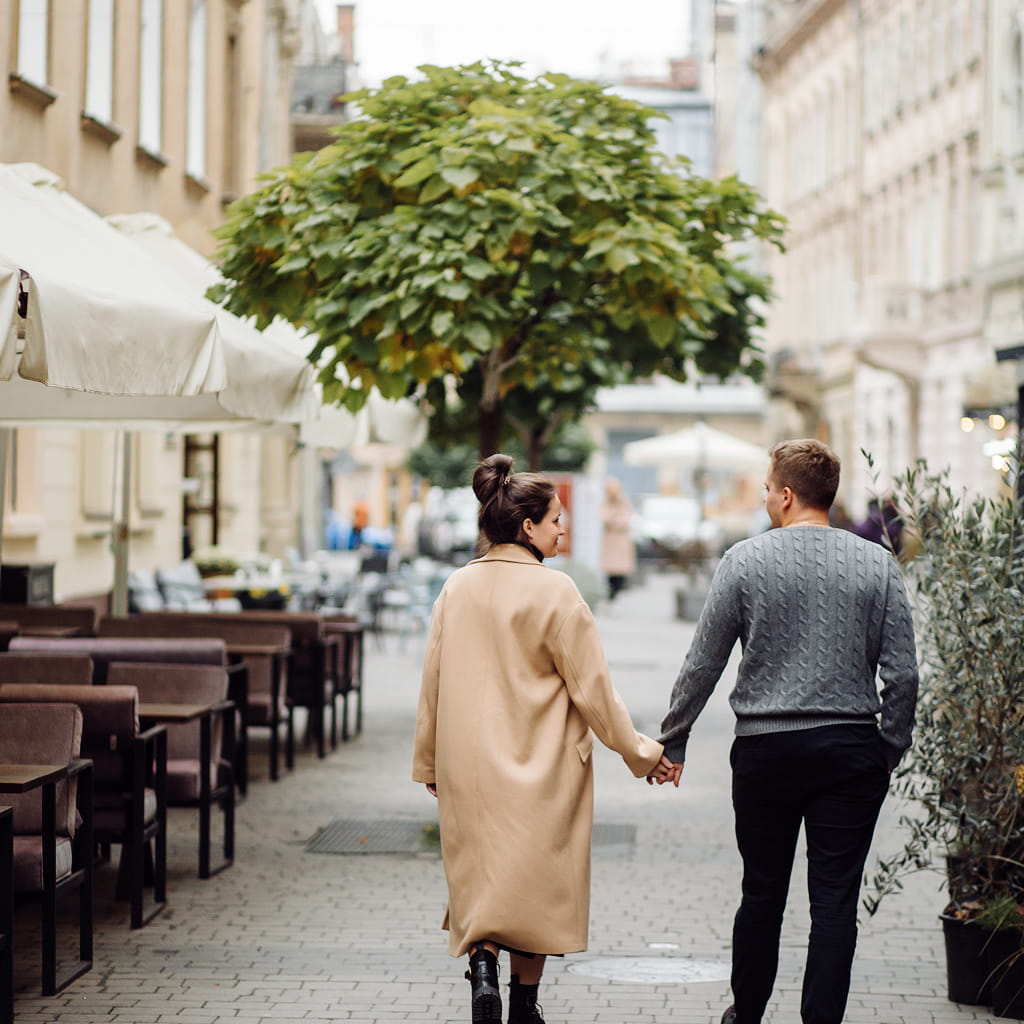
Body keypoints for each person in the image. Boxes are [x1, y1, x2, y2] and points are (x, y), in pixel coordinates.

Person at [654, 438, 919, 1024]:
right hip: (850, 752)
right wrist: (887, 751)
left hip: (765, 752)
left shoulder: (743, 561)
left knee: (762, 892)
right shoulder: (877, 563)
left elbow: (703, 662)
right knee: (834, 902)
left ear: (787, 494)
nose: (766, 496)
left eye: (769, 487)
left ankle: (745, 1014)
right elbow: (903, 673)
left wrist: (674, 739)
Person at [413, 453, 677, 1024]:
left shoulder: (456, 587)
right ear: (527, 527)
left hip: (467, 765)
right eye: (556, 519)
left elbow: (431, 681)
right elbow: (595, 693)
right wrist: (644, 755)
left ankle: (482, 969)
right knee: (534, 879)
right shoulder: (557, 595)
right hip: (543, 766)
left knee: (480, 873)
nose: (565, 528)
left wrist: (430, 762)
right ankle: (525, 1006)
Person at [601, 478, 637, 601]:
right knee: (610, 572)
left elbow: (625, 521)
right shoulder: (605, 503)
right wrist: (614, 520)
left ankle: (614, 596)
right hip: (610, 544)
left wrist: (613, 521)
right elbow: (604, 518)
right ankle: (610, 596)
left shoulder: (624, 503)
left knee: (620, 572)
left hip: (621, 544)